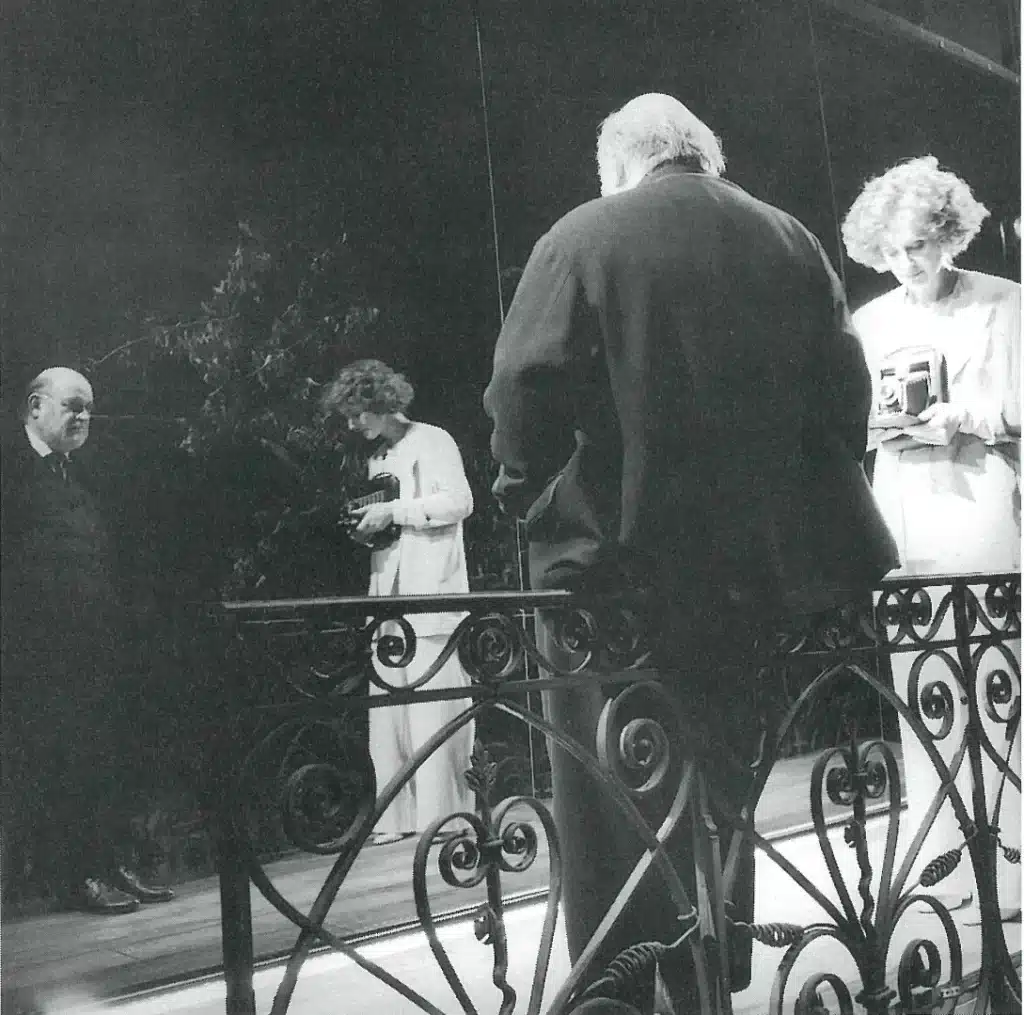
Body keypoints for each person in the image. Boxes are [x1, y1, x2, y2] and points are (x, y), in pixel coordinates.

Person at [483, 93, 899, 1009]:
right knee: (722, 778)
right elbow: (844, 388)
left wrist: (535, 501)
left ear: (621, 161)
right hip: (752, 575)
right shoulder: (792, 240)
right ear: (703, 153)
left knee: (608, 786)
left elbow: (523, 387)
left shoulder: (586, 234)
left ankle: (619, 988)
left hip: (611, 577)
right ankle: (711, 965)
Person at [842, 156, 1021, 920]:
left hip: (980, 507)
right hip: (906, 516)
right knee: (926, 695)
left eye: (914, 245)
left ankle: (1013, 871)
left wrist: (965, 417)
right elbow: (851, 414)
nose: (901, 263)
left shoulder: (1005, 303)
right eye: (887, 251)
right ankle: (948, 870)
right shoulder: (871, 321)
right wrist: (876, 426)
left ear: (948, 234)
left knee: (999, 689)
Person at [1, 367, 174, 914]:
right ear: (35, 407)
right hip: (36, 654)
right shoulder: (10, 471)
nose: (83, 418)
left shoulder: (83, 473)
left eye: (88, 409)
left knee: (105, 757)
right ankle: (75, 876)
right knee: (59, 763)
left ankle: (107, 865)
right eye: (73, 406)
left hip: (96, 644)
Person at [321, 360, 476, 845]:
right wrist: (369, 525)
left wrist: (394, 511)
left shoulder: (434, 440)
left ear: (380, 403)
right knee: (391, 708)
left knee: (436, 706)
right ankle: (398, 816)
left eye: (356, 414)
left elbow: (458, 502)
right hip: (388, 592)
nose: (352, 425)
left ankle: (444, 817)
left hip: (431, 590)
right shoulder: (379, 459)